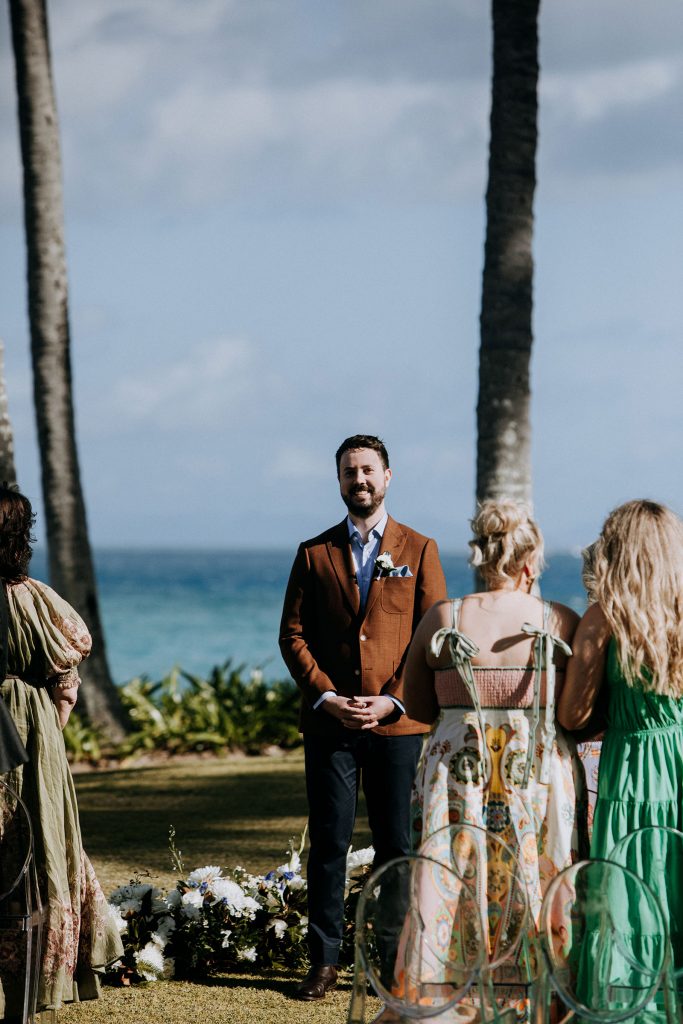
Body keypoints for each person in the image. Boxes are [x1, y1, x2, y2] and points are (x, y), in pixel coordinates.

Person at [279, 434, 447, 1001]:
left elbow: (435, 635)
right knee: (328, 842)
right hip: (331, 726)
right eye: (350, 472)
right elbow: (292, 635)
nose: (360, 480)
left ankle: (394, 960)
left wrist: (394, 699)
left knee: (397, 844)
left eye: (369, 470)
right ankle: (324, 962)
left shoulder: (420, 550)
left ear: (389, 476)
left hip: (397, 726)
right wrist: (326, 696)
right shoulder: (313, 552)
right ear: (340, 481)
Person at [402, 500, 584, 1016]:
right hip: (535, 782)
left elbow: (416, 706)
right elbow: (575, 714)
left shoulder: (445, 617)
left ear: (481, 557)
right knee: (535, 883)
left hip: (455, 779)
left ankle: (446, 998)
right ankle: (536, 999)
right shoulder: (559, 620)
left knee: (451, 882)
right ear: (531, 563)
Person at [0, 485, 123, 1018]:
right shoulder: (38, 600)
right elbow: (67, 683)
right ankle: (22, 1005)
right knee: (35, 857)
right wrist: (49, 731)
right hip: (32, 733)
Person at [558, 500, 683, 973]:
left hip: (633, 768)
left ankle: (631, 991)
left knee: (635, 886)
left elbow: (573, 714)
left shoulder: (603, 617)